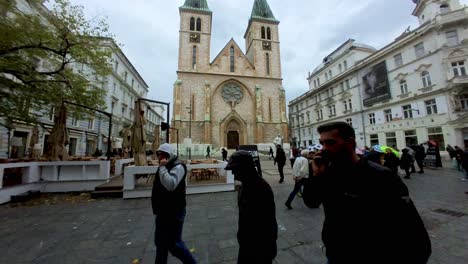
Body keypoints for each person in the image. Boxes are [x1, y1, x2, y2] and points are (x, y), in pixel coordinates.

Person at [304, 122, 431, 263]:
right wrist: (316, 176)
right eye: (322, 143)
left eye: (330, 143)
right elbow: (311, 201)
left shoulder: (381, 176)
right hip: (336, 253)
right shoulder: (328, 172)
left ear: (349, 142)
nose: (324, 149)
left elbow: (413, 232)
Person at [224, 150, 278, 263]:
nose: (233, 173)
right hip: (246, 243)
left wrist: (270, 246)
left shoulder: (261, 188)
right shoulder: (245, 185)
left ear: (245, 168)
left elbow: (269, 221)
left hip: (259, 248)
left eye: (235, 169)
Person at [151, 143, 196, 264]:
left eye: (162, 154)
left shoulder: (177, 166)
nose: (159, 157)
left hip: (173, 210)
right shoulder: (166, 165)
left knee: (174, 244)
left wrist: (162, 168)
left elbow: (170, 185)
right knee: (160, 244)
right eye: (158, 154)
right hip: (163, 210)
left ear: (168, 155)